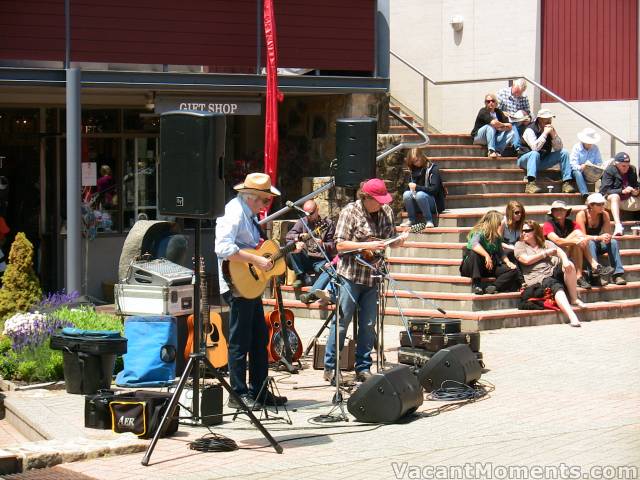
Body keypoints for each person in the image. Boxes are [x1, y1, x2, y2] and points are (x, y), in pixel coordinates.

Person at [215, 173, 287, 410]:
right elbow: (223, 248)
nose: (266, 206)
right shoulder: (233, 213)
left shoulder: (248, 215)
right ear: (252, 198)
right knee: (240, 340)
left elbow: (254, 246)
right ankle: (237, 394)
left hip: (250, 285)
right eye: (265, 201)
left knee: (258, 338)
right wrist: (256, 260)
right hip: (237, 284)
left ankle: (259, 390)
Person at [323, 178, 406, 383]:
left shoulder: (386, 212)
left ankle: (363, 367)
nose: (381, 204)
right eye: (377, 200)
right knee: (341, 323)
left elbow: (389, 239)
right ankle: (331, 367)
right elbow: (340, 245)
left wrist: (398, 241)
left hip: (373, 276)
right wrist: (363, 247)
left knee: (369, 324)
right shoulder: (349, 211)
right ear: (366, 197)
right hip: (350, 275)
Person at [514, 221, 585, 327]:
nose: (524, 233)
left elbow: (558, 250)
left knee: (569, 264)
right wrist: (545, 253)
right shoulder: (520, 245)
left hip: (552, 271)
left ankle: (574, 298)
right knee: (554, 285)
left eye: (527, 230)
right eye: (522, 230)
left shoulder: (545, 243)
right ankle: (572, 316)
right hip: (537, 277)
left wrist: (565, 260)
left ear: (535, 231)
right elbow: (526, 260)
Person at [543, 200, 614, 289]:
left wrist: (597, 238)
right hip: (555, 255)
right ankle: (594, 265)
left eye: (562, 210)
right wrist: (576, 241)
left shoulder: (571, 223)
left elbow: (583, 237)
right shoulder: (548, 224)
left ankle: (579, 276)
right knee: (577, 234)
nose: (559, 212)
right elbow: (558, 241)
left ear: (566, 212)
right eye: (556, 210)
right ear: (552, 213)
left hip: (569, 253)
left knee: (578, 241)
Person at [460, 210, 521, 295]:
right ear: (495, 223)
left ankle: (493, 287)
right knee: (474, 253)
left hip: (488, 266)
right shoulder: (478, 231)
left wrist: (508, 262)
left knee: (513, 270)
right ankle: (477, 284)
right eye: (500, 223)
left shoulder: (496, 235)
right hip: (472, 267)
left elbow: (500, 251)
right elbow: (473, 244)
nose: (502, 225)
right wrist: (486, 255)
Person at [517, 109, 575, 194]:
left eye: (550, 119)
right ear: (539, 119)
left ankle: (566, 183)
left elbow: (559, 148)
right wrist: (544, 134)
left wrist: (554, 135)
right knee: (534, 153)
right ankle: (530, 184)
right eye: (546, 119)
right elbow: (535, 148)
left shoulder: (550, 130)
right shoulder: (530, 130)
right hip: (525, 160)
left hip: (542, 160)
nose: (549, 122)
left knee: (564, 152)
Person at [575, 192, 626, 286]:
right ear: (591, 205)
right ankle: (595, 275)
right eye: (599, 204)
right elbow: (581, 236)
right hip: (585, 246)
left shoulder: (604, 214)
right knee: (590, 243)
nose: (602, 206)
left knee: (613, 242)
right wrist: (598, 237)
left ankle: (617, 274)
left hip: (598, 243)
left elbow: (607, 233)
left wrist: (607, 237)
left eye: (602, 204)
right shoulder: (581, 215)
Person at [285, 199, 336, 288]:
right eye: (305, 213)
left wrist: (323, 244)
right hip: (306, 257)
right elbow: (288, 236)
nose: (308, 216)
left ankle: (309, 281)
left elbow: (333, 245)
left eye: (311, 213)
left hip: (320, 259)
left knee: (330, 270)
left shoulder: (328, 224)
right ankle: (301, 276)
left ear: (317, 209)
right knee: (291, 249)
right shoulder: (302, 222)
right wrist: (299, 237)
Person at [400, 148, 445, 228]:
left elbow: (434, 190)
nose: (416, 163)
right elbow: (410, 190)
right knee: (406, 194)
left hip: (433, 203)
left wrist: (417, 187)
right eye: (413, 162)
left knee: (420, 195)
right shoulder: (413, 170)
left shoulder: (433, 169)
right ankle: (411, 220)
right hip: (419, 203)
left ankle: (429, 220)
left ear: (421, 156)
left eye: (417, 160)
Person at [599, 152, 640, 236]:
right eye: (623, 166)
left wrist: (636, 191)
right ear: (616, 164)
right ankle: (618, 226)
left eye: (628, 165)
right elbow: (605, 190)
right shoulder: (610, 170)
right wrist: (622, 191)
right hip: (611, 198)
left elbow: (635, 185)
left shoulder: (632, 170)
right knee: (615, 196)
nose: (626, 168)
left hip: (628, 198)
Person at [470, 93, 514, 157]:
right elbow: (493, 123)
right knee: (490, 126)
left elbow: (510, 126)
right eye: (488, 101)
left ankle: (498, 150)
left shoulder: (498, 112)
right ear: (485, 103)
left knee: (511, 133)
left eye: (493, 101)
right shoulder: (483, 111)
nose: (491, 103)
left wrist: (500, 126)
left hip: (493, 137)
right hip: (479, 137)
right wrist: (502, 125)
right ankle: (491, 151)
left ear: (496, 103)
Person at [497, 79, 531, 154]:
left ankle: (519, 147)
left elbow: (528, 112)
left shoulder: (524, 96)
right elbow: (496, 111)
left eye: (520, 93)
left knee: (523, 119)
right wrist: (504, 113)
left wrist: (527, 117)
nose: (517, 94)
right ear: (513, 86)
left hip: (519, 121)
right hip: (504, 120)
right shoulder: (502, 93)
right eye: (516, 92)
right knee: (512, 124)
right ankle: (518, 147)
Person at [570, 127, 603, 200]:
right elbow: (572, 164)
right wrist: (581, 167)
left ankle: (604, 193)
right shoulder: (576, 147)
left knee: (605, 172)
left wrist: (595, 167)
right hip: (578, 172)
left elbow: (599, 162)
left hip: (591, 173)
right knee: (577, 172)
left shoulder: (595, 148)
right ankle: (585, 194)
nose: (590, 144)